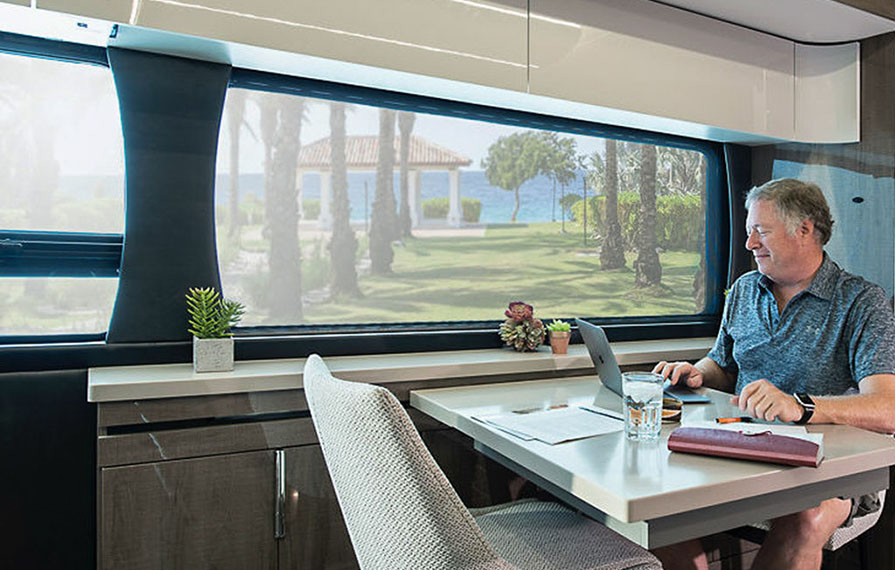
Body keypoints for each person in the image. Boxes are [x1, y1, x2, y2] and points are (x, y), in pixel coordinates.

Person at [652, 178, 895, 570]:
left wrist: (799, 406)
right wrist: (695, 374)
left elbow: (888, 409)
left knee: (803, 520)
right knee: (658, 508)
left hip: (835, 465)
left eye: (760, 231)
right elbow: (723, 365)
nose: (750, 244)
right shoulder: (745, 290)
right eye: (750, 232)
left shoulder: (863, 302)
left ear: (805, 230)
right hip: (744, 446)